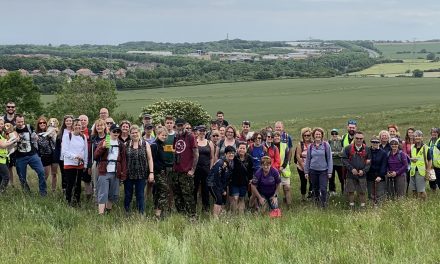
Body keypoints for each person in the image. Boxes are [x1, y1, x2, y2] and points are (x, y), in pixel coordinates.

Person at [94, 124, 127, 215]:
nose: (116, 133)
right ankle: (100, 214)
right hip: (104, 171)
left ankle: (108, 212)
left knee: (112, 194)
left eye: (118, 131)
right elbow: (96, 156)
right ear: (110, 132)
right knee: (102, 193)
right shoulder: (104, 141)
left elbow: (124, 160)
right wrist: (102, 147)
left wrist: (123, 174)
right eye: (114, 131)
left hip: (116, 172)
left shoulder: (121, 144)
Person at [172, 118, 199, 217]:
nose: (180, 127)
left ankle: (192, 216)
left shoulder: (190, 136)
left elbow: (196, 154)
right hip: (176, 170)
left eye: (181, 125)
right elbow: (176, 151)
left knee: (188, 195)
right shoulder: (176, 136)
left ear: (185, 125)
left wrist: (192, 170)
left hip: (186, 171)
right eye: (178, 125)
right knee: (177, 195)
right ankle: (181, 216)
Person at [14, 114, 47, 196]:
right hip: (20, 157)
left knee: (41, 172)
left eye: (22, 121)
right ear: (15, 121)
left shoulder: (29, 127)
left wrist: (35, 137)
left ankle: (43, 193)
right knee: (22, 177)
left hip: (32, 155)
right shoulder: (13, 130)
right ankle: (27, 194)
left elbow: (34, 137)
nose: (21, 123)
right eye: (18, 122)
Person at [124, 125, 154, 214]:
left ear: (139, 133)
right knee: (128, 195)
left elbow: (150, 159)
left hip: (141, 174)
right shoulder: (126, 144)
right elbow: (123, 159)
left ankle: (141, 213)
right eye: (132, 133)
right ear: (130, 134)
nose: (134, 134)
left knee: (140, 195)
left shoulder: (145, 144)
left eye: (136, 132)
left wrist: (151, 172)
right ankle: (126, 212)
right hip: (129, 174)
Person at [61, 119, 88, 206]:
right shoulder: (67, 136)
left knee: (78, 184)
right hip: (69, 164)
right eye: (76, 125)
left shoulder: (83, 137)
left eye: (79, 125)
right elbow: (64, 151)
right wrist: (74, 156)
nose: (78, 127)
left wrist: (85, 164)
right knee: (70, 183)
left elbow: (85, 151)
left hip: (80, 164)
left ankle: (77, 201)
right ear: (72, 126)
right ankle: (68, 201)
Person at [304, 127, 333, 208]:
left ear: (322, 135)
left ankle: (324, 204)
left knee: (323, 189)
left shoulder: (326, 145)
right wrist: (306, 172)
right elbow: (308, 159)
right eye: (316, 134)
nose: (318, 136)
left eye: (319, 134)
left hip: (323, 171)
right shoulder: (310, 146)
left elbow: (329, 158)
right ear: (313, 135)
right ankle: (317, 203)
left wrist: (330, 171)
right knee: (315, 188)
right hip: (313, 171)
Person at [342, 131, 371, 209]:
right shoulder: (348, 148)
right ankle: (351, 206)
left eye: (361, 138)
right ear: (354, 138)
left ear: (363, 139)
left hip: (362, 174)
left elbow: (369, 163)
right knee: (350, 191)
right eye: (357, 138)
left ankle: (363, 207)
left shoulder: (367, 149)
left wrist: (364, 171)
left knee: (362, 191)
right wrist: (351, 169)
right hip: (351, 174)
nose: (359, 140)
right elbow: (344, 160)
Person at [207, 145, 235, 218]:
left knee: (223, 201)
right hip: (213, 183)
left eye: (232, 153)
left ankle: (221, 217)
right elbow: (217, 177)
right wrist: (222, 190)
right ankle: (215, 219)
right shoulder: (220, 162)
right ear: (225, 154)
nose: (231, 154)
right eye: (229, 153)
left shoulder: (231, 162)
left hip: (222, 184)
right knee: (218, 199)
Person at [151, 127, 172, 218]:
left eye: (165, 135)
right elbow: (152, 160)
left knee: (158, 192)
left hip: (162, 171)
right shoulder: (154, 145)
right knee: (165, 190)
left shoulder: (162, 145)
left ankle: (157, 213)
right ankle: (160, 212)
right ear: (157, 135)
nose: (164, 137)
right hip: (156, 172)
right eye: (162, 135)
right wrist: (152, 173)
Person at [194, 125, 215, 212]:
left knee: (205, 189)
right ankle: (193, 208)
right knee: (194, 189)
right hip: (196, 169)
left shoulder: (209, 143)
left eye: (203, 131)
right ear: (197, 132)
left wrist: (210, 169)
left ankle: (205, 209)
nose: (202, 132)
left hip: (206, 169)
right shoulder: (194, 142)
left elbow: (212, 157)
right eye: (200, 131)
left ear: (205, 132)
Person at [229, 142, 253, 214]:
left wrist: (250, 179)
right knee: (235, 198)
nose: (242, 150)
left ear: (246, 149)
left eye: (243, 148)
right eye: (240, 148)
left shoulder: (249, 158)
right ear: (237, 149)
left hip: (244, 182)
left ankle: (241, 215)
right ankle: (234, 215)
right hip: (234, 182)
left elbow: (251, 170)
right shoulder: (234, 157)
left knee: (242, 198)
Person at [36, 116, 58, 192]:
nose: (42, 124)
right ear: (38, 124)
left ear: (46, 123)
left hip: (54, 154)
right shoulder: (37, 134)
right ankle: (42, 190)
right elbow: (43, 145)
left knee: (54, 174)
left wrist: (54, 133)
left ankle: (53, 190)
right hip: (45, 156)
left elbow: (56, 142)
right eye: (40, 123)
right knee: (45, 175)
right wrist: (48, 136)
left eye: (44, 122)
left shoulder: (52, 130)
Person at [409, 130, 431, 200]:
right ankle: (416, 205)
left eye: (419, 136)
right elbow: (411, 157)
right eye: (416, 136)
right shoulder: (412, 147)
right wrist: (411, 159)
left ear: (422, 137)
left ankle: (424, 204)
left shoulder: (426, 148)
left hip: (421, 172)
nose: (417, 137)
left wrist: (427, 171)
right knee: (413, 190)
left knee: (421, 190)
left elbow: (430, 160)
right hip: (412, 171)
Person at [366, 135, 387, 205]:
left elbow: (384, 165)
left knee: (380, 194)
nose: (375, 143)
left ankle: (379, 210)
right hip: (369, 175)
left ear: (379, 142)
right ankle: (371, 209)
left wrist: (380, 176)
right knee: (371, 194)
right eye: (373, 142)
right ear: (371, 142)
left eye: (377, 142)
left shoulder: (383, 153)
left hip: (380, 176)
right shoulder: (367, 151)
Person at [273, 131, 292, 206]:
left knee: (287, 188)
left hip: (284, 170)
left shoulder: (285, 145)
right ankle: (275, 207)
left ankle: (289, 206)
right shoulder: (270, 146)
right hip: (274, 170)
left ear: (280, 137)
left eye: (278, 136)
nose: (276, 137)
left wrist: (282, 167)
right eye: (275, 136)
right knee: (275, 190)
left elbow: (287, 158)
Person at [0, 118, 19, 192]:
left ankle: (2, 193)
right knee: (6, 176)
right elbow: (3, 146)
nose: (1, 125)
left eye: (2, 124)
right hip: (1, 160)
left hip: (5, 159)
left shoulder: (2, 134)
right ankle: (1, 192)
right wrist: (14, 140)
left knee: (1, 177)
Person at [56, 114, 74, 193]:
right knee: (64, 174)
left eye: (70, 121)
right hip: (62, 157)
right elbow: (57, 146)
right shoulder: (61, 132)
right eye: (67, 121)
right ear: (64, 122)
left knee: (72, 174)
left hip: (73, 157)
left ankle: (72, 189)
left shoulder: (75, 131)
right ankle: (64, 190)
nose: (69, 122)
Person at [90, 119, 107, 197]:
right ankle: (96, 200)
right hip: (96, 162)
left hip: (106, 163)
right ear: (95, 127)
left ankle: (104, 200)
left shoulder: (108, 137)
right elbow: (90, 152)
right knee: (95, 182)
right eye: (98, 125)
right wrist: (90, 165)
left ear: (104, 127)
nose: (99, 127)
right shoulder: (93, 138)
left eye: (101, 125)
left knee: (104, 182)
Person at [295, 127, 313, 201]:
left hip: (312, 166)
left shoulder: (313, 144)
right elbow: (298, 156)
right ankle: (303, 197)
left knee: (312, 181)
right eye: (305, 135)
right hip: (301, 166)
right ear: (302, 136)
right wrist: (304, 168)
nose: (306, 137)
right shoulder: (300, 144)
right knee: (303, 182)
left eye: (308, 135)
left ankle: (310, 195)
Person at [79, 114, 93, 200]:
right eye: (81, 120)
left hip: (88, 160)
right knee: (77, 179)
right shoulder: (75, 132)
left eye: (85, 120)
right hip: (77, 160)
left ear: (87, 122)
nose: (83, 121)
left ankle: (89, 198)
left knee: (87, 180)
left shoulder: (92, 133)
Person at [3, 101, 16, 186]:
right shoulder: (2, 119)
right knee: (7, 167)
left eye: (12, 107)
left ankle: (14, 186)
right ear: (6, 108)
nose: (10, 108)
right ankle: (7, 185)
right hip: (4, 146)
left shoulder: (18, 118)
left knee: (17, 167)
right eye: (8, 107)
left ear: (15, 108)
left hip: (15, 147)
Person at [328, 128, 344, 195]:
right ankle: (332, 191)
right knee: (331, 178)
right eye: (333, 133)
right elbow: (328, 153)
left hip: (340, 163)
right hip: (331, 163)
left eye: (335, 133)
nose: (334, 135)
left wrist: (333, 154)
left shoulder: (341, 141)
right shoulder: (329, 141)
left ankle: (344, 191)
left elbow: (342, 153)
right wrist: (337, 153)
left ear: (338, 134)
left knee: (342, 178)